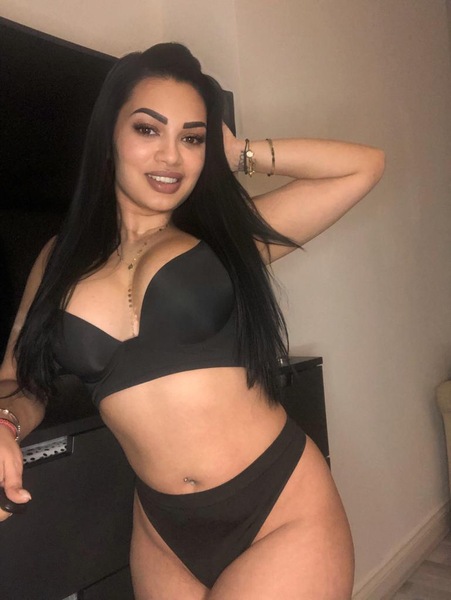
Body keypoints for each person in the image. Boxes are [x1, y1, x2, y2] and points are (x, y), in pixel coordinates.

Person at [0, 43, 384, 599]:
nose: (171, 156)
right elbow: (20, 380)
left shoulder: (227, 240)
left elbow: (363, 166)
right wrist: (6, 423)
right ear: (109, 135)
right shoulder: (57, 260)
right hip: (164, 532)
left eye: (191, 138)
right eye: (148, 130)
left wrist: (238, 153)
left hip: (278, 507)